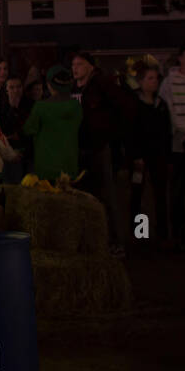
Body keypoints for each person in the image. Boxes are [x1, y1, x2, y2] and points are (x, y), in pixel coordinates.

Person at [71, 51, 136, 257]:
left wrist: (110, 133)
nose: (75, 68)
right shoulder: (75, 89)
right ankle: (94, 239)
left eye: (80, 64)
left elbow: (126, 107)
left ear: (90, 66)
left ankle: (116, 242)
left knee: (107, 194)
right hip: (81, 147)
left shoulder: (102, 85)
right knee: (86, 195)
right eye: (73, 64)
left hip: (99, 146)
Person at [129, 64, 173, 250]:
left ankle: (162, 233)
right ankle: (140, 233)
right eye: (150, 78)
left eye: (156, 78)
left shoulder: (161, 104)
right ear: (141, 82)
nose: (154, 82)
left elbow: (166, 131)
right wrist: (135, 154)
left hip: (158, 156)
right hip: (141, 157)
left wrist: (167, 154)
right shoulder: (135, 105)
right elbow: (131, 132)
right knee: (139, 195)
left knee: (160, 194)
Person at [158, 43, 185, 250]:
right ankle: (179, 232)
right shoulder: (169, 83)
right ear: (180, 58)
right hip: (180, 144)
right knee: (178, 190)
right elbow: (169, 112)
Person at [22, 65, 84, 182]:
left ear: (49, 85)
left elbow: (28, 129)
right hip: (69, 167)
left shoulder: (41, 107)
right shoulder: (76, 106)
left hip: (46, 168)